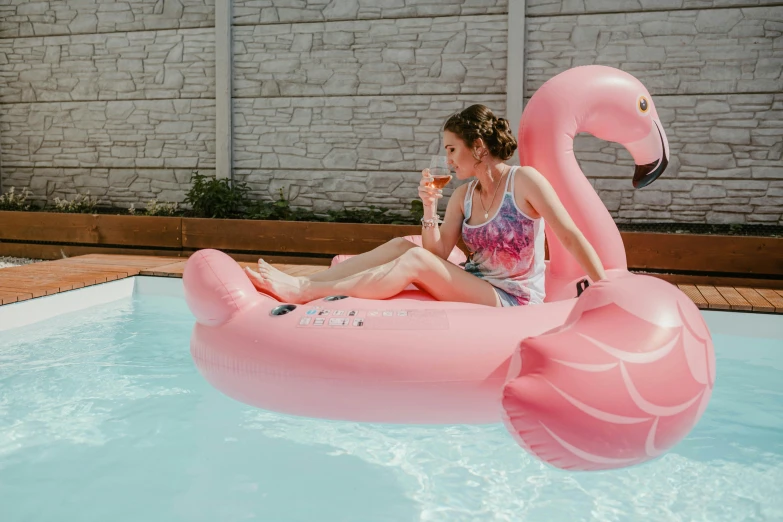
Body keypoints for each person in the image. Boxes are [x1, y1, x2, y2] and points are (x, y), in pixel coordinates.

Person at [244, 104, 606, 306]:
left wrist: (604, 283)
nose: (448, 160)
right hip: (478, 283)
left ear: (477, 146)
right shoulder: (464, 196)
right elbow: (439, 251)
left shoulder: (524, 181)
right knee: (406, 245)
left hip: (514, 297)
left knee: (413, 259)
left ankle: (306, 292)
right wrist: (430, 208)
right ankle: (307, 281)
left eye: (452, 149)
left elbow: (570, 236)